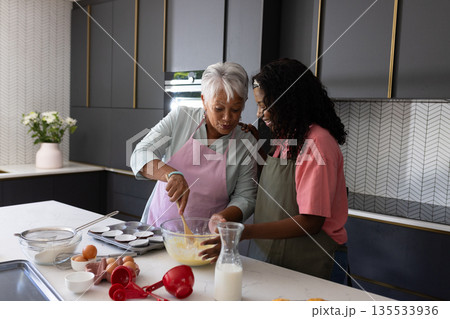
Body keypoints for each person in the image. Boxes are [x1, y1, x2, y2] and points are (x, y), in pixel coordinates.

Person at [202, 58, 349, 283]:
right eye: (259, 105)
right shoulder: (287, 137)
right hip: (276, 258)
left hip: (311, 262)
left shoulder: (317, 142)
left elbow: (311, 221)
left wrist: (243, 231)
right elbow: (278, 187)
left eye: (265, 105)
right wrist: (254, 146)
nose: (260, 114)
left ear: (289, 100)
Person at [130, 62, 258, 227]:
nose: (227, 117)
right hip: (156, 231)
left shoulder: (245, 143)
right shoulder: (180, 118)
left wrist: (223, 217)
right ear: (204, 101)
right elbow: (140, 153)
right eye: (219, 109)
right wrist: (171, 174)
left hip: (203, 241)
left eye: (235, 110)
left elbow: (246, 197)